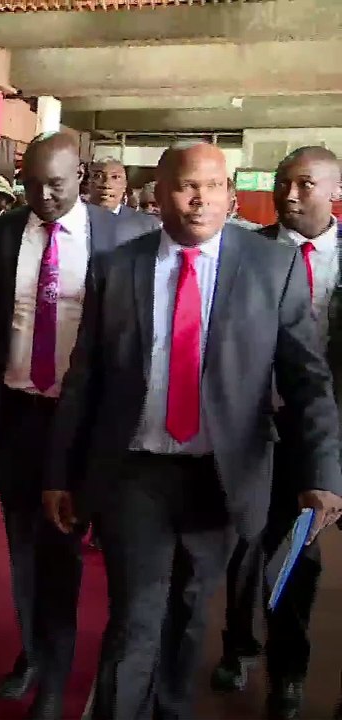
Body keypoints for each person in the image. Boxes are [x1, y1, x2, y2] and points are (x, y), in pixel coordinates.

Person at [44, 142, 342, 720]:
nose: (199, 198)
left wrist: (323, 472)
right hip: (136, 471)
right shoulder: (118, 267)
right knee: (135, 614)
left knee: (189, 611)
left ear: (229, 192)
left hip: (222, 474)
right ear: (159, 194)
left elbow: (308, 380)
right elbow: (85, 378)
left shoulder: (269, 268)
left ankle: (173, 711)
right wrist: (61, 471)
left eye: (212, 185)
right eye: (185, 186)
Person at [0, 132, 136, 720]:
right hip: (19, 413)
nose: (44, 196)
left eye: (58, 185)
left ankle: (59, 668)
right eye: (32, 184)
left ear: (83, 175)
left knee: (66, 547)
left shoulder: (123, 235)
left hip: (88, 421)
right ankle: (37, 654)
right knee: (23, 547)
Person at [211, 146, 342, 719]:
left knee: (304, 557)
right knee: (261, 551)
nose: (290, 196)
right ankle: (260, 657)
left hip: (336, 428)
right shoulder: (246, 254)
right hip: (263, 428)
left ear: (333, 190)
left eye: (305, 185)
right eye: (284, 184)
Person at [88, 158, 160, 237]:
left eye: (115, 177)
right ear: (89, 183)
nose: (107, 184)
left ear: (125, 185)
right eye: (98, 176)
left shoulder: (147, 226)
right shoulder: (75, 219)